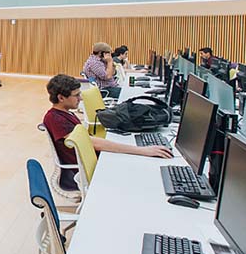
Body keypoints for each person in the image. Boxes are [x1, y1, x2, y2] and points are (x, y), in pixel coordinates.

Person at [42, 74, 172, 191]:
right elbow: (89, 143)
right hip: (89, 170)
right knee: (144, 168)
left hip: (96, 161)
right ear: (61, 98)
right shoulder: (55, 119)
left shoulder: (64, 113)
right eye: (76, 95)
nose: (80, 98)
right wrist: (142, 150)